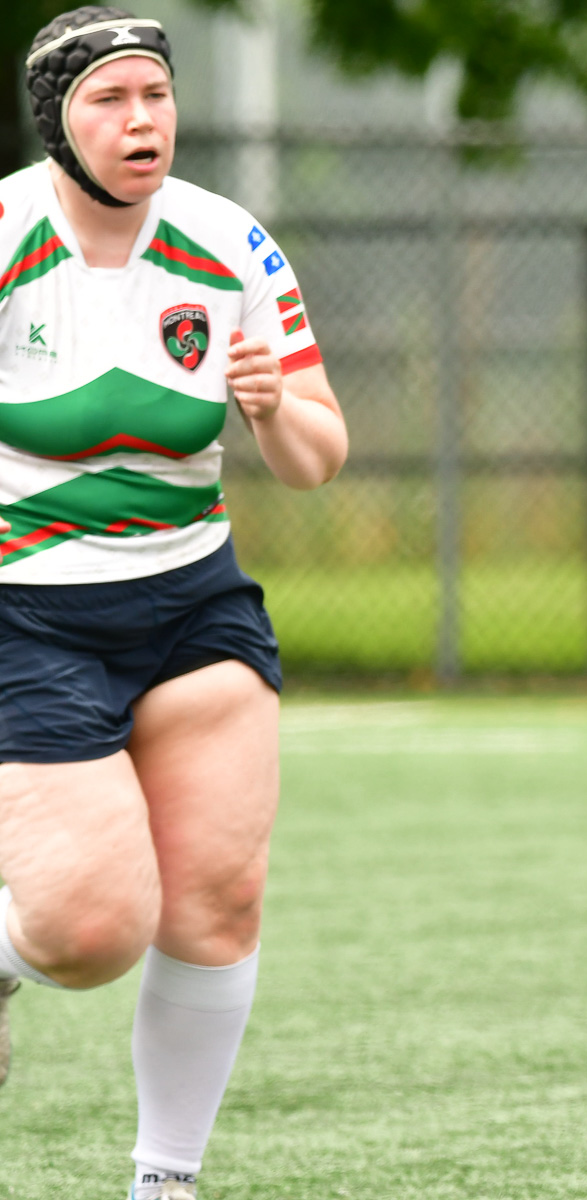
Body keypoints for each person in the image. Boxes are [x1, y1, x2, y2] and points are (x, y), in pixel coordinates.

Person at [0, 9, 347, 1199]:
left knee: (218, 902)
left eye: (156, 94)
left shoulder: (228, 241)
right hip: (28, 615)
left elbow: (317, 459)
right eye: (109, 99)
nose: (141, 119)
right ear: (57, 121)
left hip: (194, 603)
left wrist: (272, 411)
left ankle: (165, 1185)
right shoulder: (7, 234)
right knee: (89, 932)